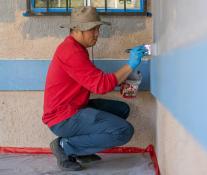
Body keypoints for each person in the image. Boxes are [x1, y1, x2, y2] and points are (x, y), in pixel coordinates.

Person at [42, 6, 147, 171]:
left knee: (121, 109)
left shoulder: (76, 48)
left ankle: (81, 150)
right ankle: (64, 146)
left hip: (74, 107)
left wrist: (122, 81)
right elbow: (100, 85)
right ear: (78, 30)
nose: (97, 33)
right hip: (62, 117)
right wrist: (130, 65)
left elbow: (93, 78)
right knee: (123, 131)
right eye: (93, 29)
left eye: (98, 29)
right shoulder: (71, 52)